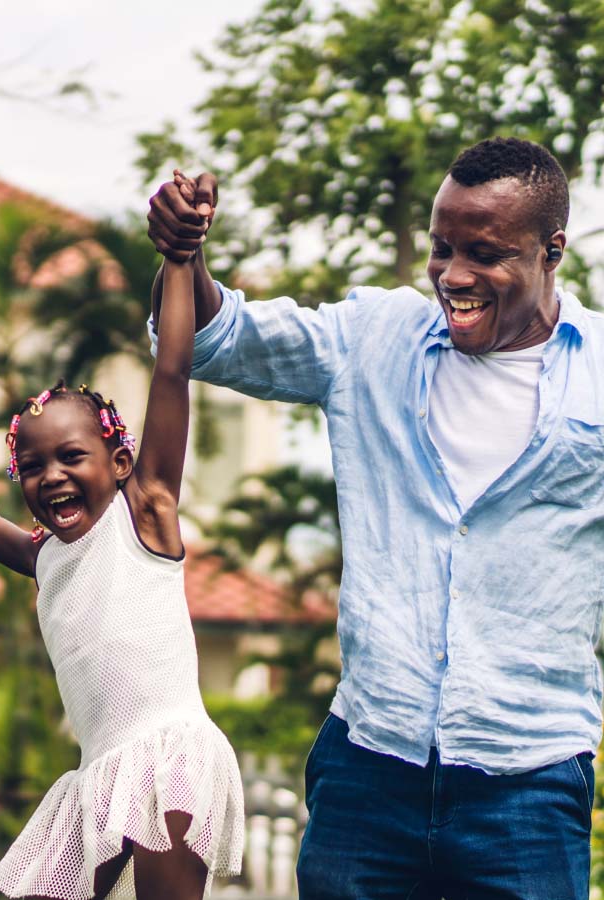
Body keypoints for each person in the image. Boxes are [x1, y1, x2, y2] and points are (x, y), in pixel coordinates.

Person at [147, 137, 599, 899]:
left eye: (483, 254)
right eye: (441, 248)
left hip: (529, 779)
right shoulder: (373, 339)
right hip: (368, 767)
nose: (453, 276)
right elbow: (218, 340)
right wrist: (184, 258)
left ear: (551, 250)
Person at [0, 198, 244, 899]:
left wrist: (180, 260)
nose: (51, 476)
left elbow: (171, 373)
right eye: (32, 466)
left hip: (167, 758)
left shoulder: (146, 514)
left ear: (121, 463)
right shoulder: (48, 556)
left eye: (72, 456)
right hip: (99, 771)